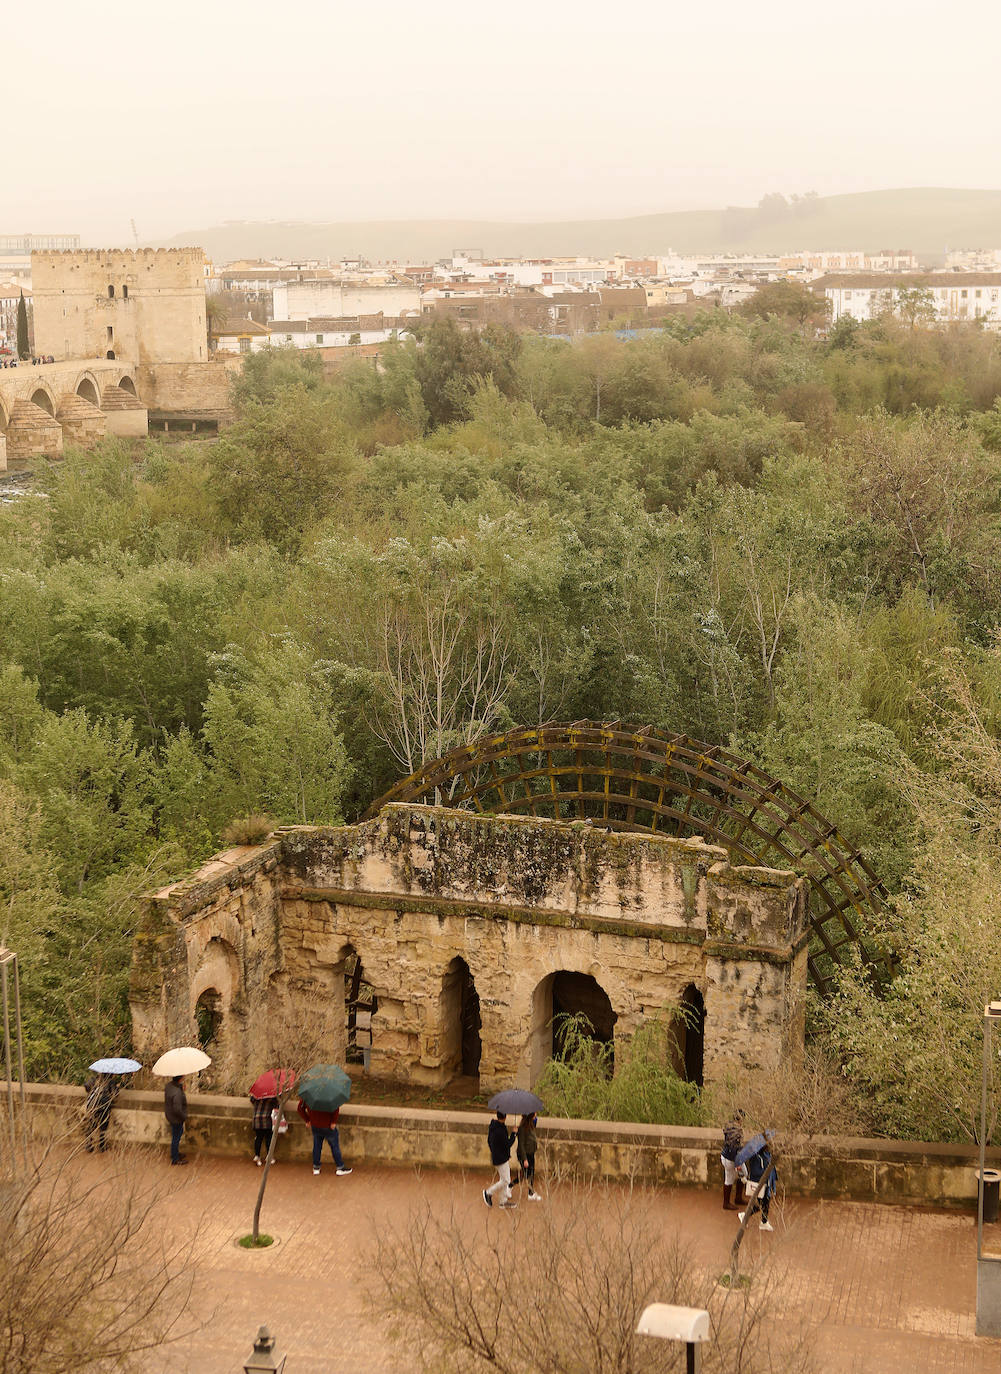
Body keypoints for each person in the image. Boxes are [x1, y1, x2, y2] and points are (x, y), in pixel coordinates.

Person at [297, 1099, 352, 1177]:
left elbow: (300, 1108)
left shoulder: (308, 1096)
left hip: (315, 1125)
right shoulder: (330, 1096)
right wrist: (333, 1121)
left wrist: (307, 1120)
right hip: (328, 1125)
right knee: (334, 1146)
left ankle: (316, 1167)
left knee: (317, 1146)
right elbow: (335, 1109)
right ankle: (340, 1167)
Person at [739, 1140, 777, 1232]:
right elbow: (758, 1171)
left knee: (766, 1203)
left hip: (767, 1183)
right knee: (761, 1203)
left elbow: (772, 1169)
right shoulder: (756, 1157)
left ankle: (764, 1222)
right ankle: (745, 1215)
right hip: (760, 1184)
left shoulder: (766, 1154)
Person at [483, 1110, 516, 1208]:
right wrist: (514, 1134)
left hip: (497, 1157)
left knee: (504, 1179)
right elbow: (508, 1144)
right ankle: (488, 1192)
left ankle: (503, 1201)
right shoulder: (501, 1130)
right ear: (505, 1117)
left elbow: (489, 1141)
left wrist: (494, 1151)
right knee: (505, 1181)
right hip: (501, 1159)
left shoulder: (493, 1127)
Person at [83, 1072, 119, 1152]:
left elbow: (86, 1087)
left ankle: (89, 1145)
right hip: (103, 1107)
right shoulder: (110, 1082)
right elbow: (115, 1094)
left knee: (91, 1126)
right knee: (103, 1127)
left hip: (92, 1106)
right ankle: (102, 1146)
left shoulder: (94, 1080)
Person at [721, 1111, 746, 1211]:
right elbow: (733, 1151)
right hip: (730, 1158)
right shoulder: (737, 1131)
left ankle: (738, 1198)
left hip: (731, 1156)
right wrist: (738, 1168)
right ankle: (726, 1203)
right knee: (729, 1179)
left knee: (744, 1174)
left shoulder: (729, 1126)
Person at [517, 1111, 542, 1201]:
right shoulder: (522, 1128)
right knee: (528, 1174)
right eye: (534, 1113)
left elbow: (536, 1120)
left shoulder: (531, 1124)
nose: (536, 1114)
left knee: (528, 1173)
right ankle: (531, 1193)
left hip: (531, 1153)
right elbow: (521, 1144)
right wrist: (524, 1159)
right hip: (525, 1155)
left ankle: (511, 1185)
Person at [163, 1074, 187, 1165]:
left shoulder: (169, 1086)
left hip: (170, 1115)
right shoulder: (177, 1092)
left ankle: (175, 1153)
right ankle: (175, 1158)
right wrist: (184, 1116)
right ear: (180, 1078)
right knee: (176, 1137)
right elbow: (178, 1109)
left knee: (176, 1135)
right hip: (176, 1118)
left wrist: (181, 1089)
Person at [251, 1092, 279, 1165]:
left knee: (258, 1138)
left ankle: (257, 1156)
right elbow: (277, 1106)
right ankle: (269, 1156)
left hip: (256, 1118)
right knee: (268, 1138)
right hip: (267, 1119)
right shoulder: (272, 1096)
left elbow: (252, 1100)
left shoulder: (256, 1095)